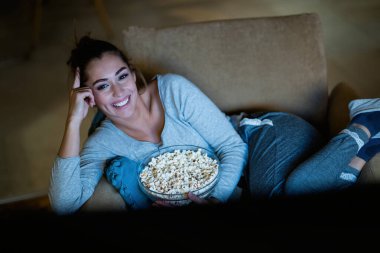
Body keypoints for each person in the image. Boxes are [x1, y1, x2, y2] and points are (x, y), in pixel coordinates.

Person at [49, 35, 380, 215]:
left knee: (293, 193)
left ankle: (366, 120)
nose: (120, 92)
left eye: (121, 76)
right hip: (255, 174)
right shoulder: (104, 142)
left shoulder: (172, 91)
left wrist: (217, 199)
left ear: (132, 73)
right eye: (103, 86)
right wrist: (73, 121)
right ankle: (359, 153)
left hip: (262, 134)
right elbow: (65, 205)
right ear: (88, 96)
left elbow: (232, 146)